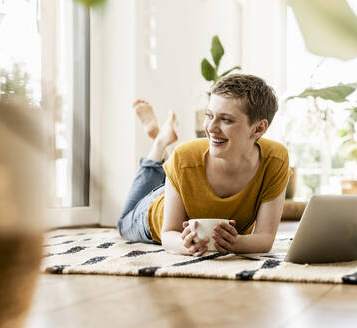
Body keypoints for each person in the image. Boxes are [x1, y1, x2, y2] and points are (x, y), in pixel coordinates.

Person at [117, 74, 290, 257]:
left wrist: (236, 242)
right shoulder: (184, 157)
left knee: (179, 168)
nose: (211, 127)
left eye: (226, 120)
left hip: (186, 179)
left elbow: (264, 239)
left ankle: (161, 142)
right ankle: (159, 143)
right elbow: (168, 235)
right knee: (123, 224)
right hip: (157, 209)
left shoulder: (275, 160)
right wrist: (187, 246)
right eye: (209, 115)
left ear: (258, 129)